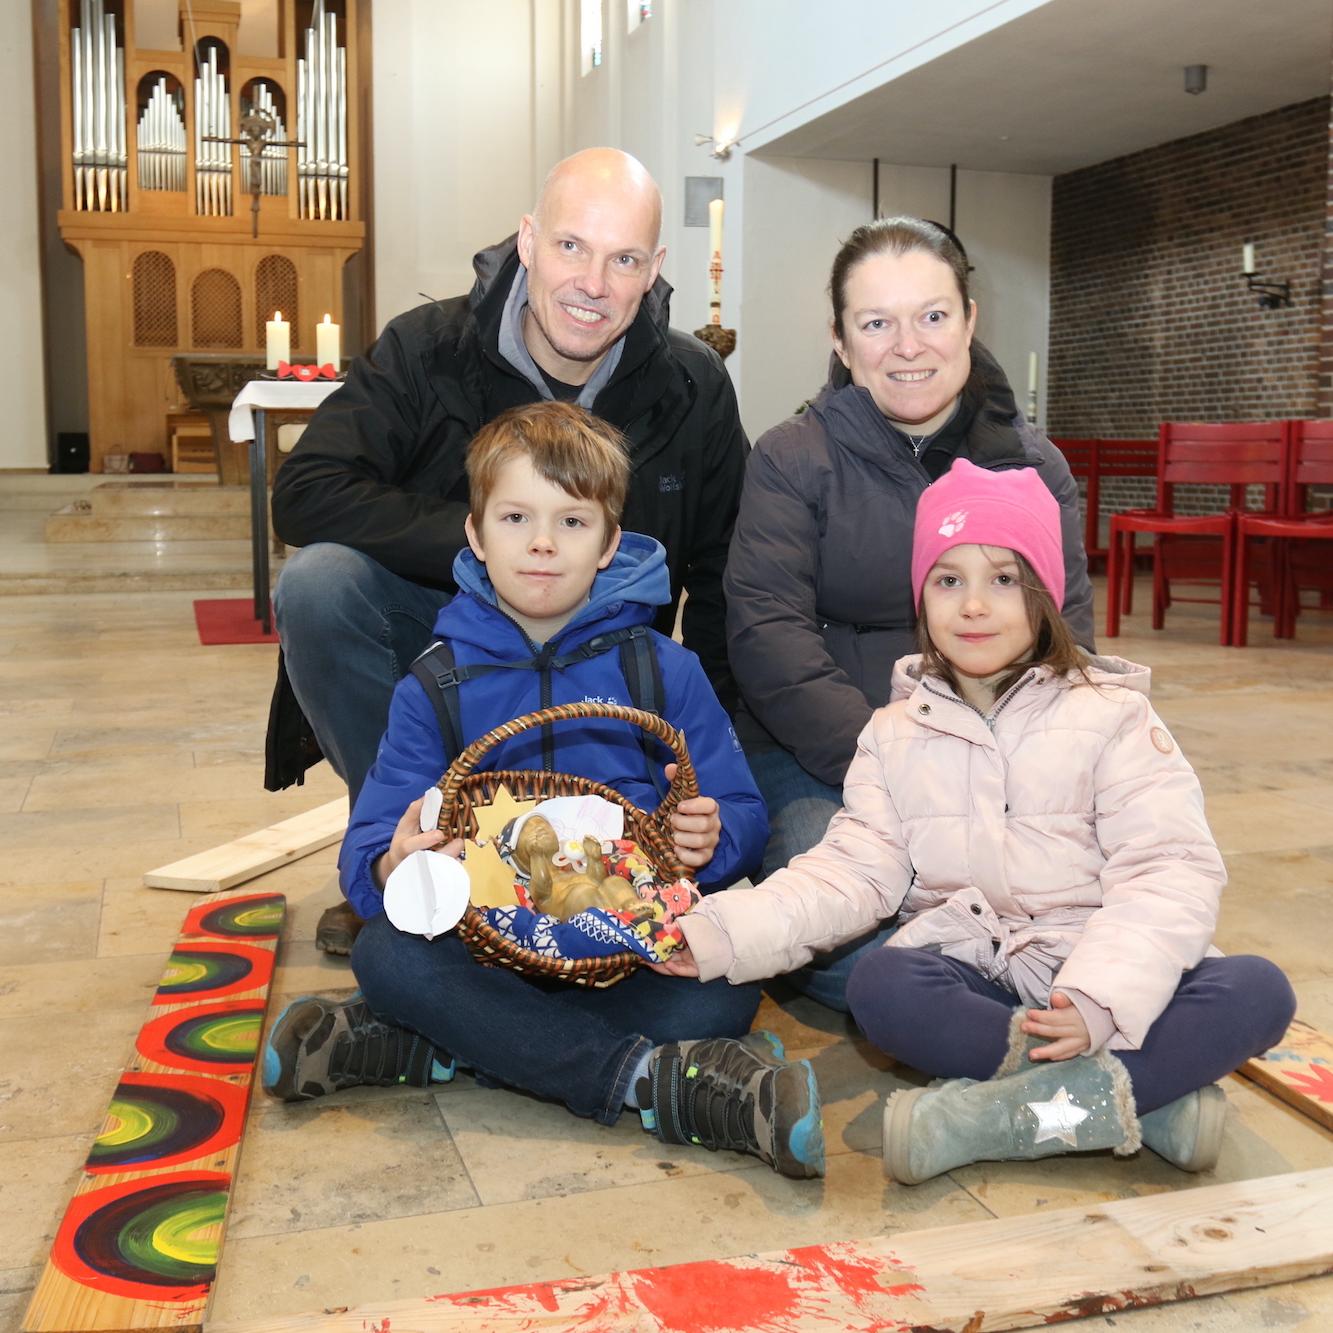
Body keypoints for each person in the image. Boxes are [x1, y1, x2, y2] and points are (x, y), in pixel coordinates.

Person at [659, 458, 1295, 1182]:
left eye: (1002, 579)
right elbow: (850, 871)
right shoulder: (892, 734)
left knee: (1255, 989)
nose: (972, 605)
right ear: (920, 598)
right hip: (986, 978)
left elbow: (1167, 870)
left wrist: (1096, 998)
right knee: (881, 986)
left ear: (1045, 595)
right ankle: (1135, 1103)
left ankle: (995, 1118)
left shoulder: (1112, 716)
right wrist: (722, 929)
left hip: (1100, 968)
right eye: (947, 579)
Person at [263, 402, 824, 1182]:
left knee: (718, 992)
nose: (540, 542)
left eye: (571, 522)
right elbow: (367, 849)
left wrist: (710, 835)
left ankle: (439, 1043)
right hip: (491, 945)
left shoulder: (662, 669)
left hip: (625, 949)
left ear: (608, 544)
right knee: (388, 954)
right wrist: (393, 864)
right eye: (516, 516)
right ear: (475, 534)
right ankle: (653, 1082)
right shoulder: (437, 681)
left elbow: (737, 813)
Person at [266, 147, 749, 954]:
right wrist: (490, 545)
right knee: (318, 584)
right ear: (526, 241)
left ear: (654, 269)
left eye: (622, 259)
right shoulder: (429, 349)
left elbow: (723, 568)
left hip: (608, 649)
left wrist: (703, 777)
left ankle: (570, 878)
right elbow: (306, 489)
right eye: (570, 247)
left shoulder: (692, 386)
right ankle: (403, 847)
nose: (592, 283)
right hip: (453, 626)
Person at [723, 216, 1095, 1010]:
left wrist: (1014, 769)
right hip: (827, 754)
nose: (907, 345)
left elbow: (1069, 637)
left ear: (968, 320)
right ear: (840, 338)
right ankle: (1001, 1017)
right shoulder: (792, 458)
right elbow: (768, 636)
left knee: (1093, 901)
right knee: (839, 933)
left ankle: (1024, 998)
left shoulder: (1034, 467)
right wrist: (896, 765)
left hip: (998, 754)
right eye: (875, 322)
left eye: (931, 315)